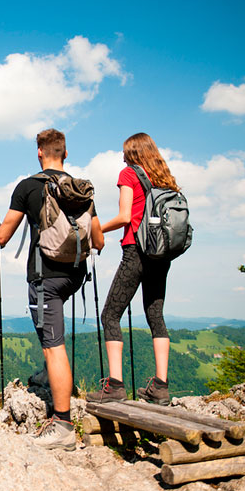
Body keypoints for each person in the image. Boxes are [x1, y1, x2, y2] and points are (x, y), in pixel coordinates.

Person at [0, 128, 104, 450]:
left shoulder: (29, 187)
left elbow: (3, 238)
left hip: (45, 278)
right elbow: (98, 240)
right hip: (75, 275)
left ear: (39, 152)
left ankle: (63, 426)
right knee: (52, 336)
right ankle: (47, 376)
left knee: (53, 344)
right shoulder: (81, 190)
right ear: (65, 154)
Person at [86, 132, 180, 406]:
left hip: (136, 250)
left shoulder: (129, 174)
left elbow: (126, 216)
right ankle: (161, 387)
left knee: (110, 315)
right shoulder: (164, 179)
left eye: (125, 153)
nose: (123, 157)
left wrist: (96, 229)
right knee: (155, 315)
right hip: (162, 255)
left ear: (131, 153)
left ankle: (114, 385)